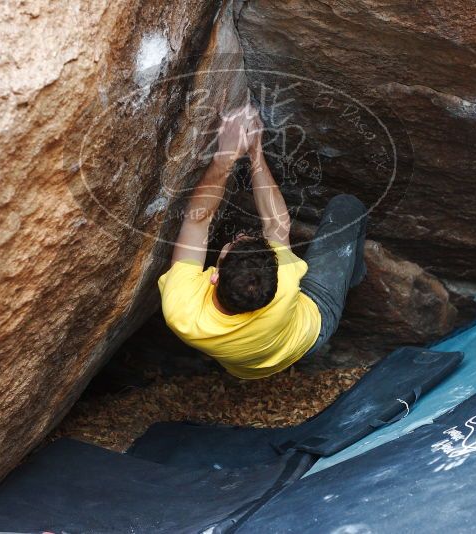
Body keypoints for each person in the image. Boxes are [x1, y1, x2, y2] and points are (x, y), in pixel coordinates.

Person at [158, 104, 368, 379]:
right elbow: (277, 225)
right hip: (313, 329)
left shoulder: (181, 311)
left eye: (237, 242)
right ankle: (354, 274)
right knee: (347, 207)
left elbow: (196, 221)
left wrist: (225, 157)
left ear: (215, 277)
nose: (242, 235)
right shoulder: (286, 280)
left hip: (247, 366)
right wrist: (255, 152)